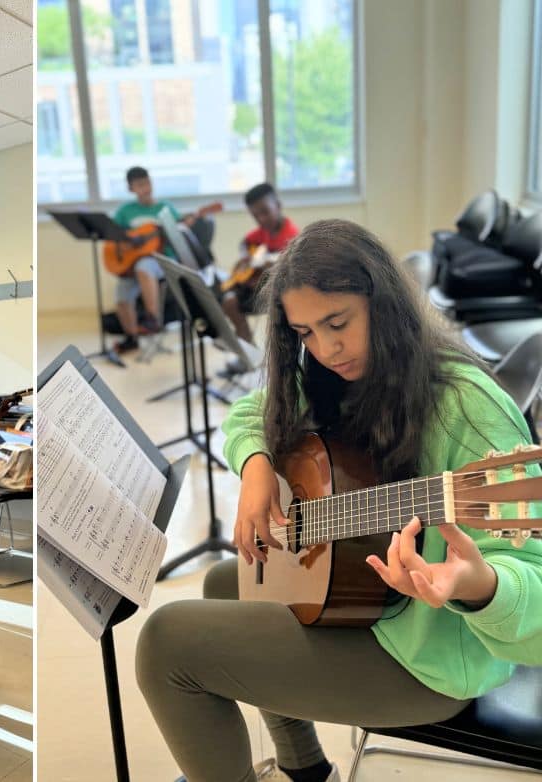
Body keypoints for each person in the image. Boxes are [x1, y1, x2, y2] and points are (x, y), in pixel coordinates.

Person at [136, 219, 542, 782]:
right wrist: (256, 469)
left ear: (385, 304)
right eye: (304, 333)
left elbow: (536, 603)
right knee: (227, 581)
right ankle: (305, 768)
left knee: (166, 644)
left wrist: (478, 586)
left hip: (433, 659)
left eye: (338, 323)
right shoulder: (337, 374)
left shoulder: (468, 410)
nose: (325, 349)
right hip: (378, 607)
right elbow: (251, 413)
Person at [111, 166, 213, 353]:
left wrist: (185, 223)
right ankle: (131, 337)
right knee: (121, 294)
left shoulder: (165, 208)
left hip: (160, 259)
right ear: (131, 188)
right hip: (130, 263)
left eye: (147, 182)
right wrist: (128, 241)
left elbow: (178, 232)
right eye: (140, 184)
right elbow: (113, 235)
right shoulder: (125, 211)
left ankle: (153, 320)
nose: (145, 188)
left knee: (144, 266)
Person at [221, 182, 300, 347]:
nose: (261, 219)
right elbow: (245, 243)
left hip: (280, 295)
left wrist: (268, 263)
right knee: (227, 300)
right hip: (256, 289)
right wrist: (246, 257)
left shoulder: (291, 235)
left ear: (278, 206)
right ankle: (246, 348)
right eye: (255, 215)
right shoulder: (262, 232)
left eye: (265, 212)